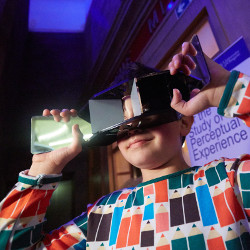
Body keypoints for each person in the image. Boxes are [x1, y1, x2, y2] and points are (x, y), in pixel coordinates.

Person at [0, 41, 250, 249]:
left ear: (184, 122)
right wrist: (41, 171)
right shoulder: (102, 216)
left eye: (147, 114)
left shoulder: (230, 181)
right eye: (122, 123)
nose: (134, 129)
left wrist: (235, 93)